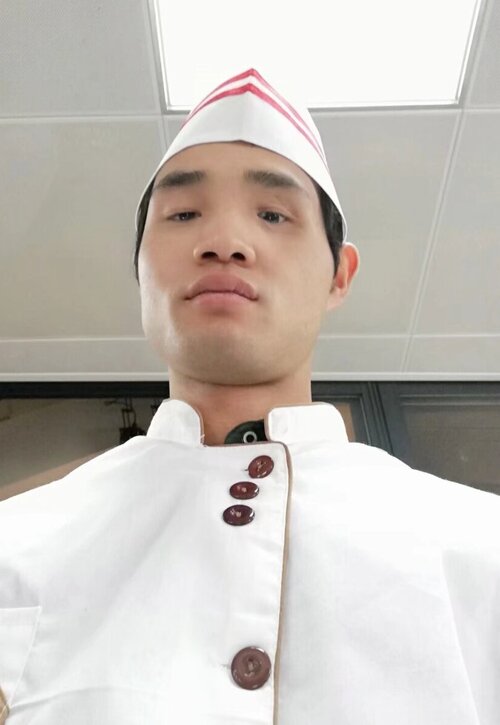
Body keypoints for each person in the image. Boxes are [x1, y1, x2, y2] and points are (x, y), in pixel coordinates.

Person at [0, 68, 499, 725]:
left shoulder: (480, 546)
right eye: (183, 214)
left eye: (272, 214)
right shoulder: (17, 546)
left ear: (339, 274)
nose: (224, 243)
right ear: (140, 268)